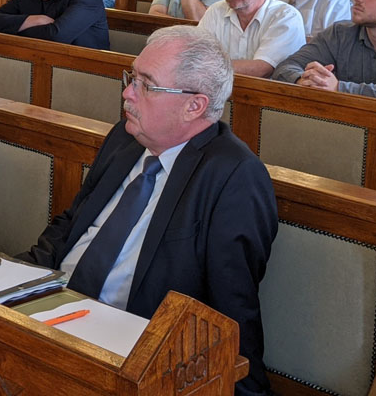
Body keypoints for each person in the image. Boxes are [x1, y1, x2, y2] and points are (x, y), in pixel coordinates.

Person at [21, 25, 278, 396]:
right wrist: (14, 282)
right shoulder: (126, 137)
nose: (127, 93)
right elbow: (72, 224)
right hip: (53, 312)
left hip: (135, 354)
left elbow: (230, 312)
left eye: (146, 84)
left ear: (195, 105)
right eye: (131, 77)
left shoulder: (234, 178)